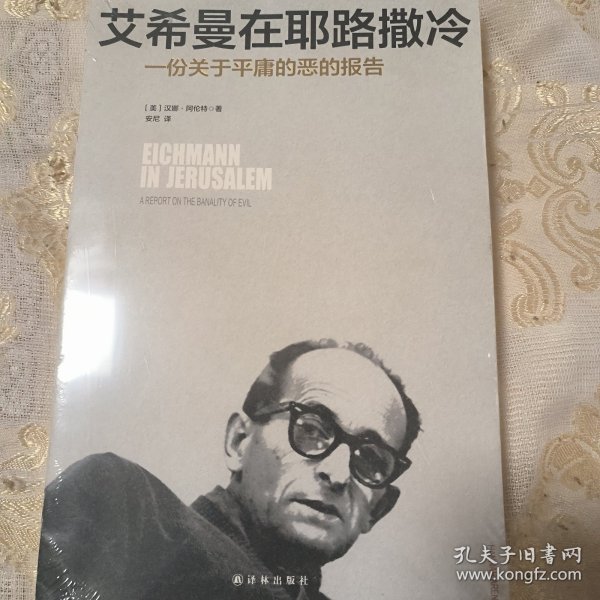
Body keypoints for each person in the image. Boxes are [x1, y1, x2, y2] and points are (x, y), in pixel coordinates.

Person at [36, 339, 420, 600]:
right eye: (312, 429)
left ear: (378, 510)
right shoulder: (126, 509)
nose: (337, 474)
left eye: (371, 459)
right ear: (239, 441)